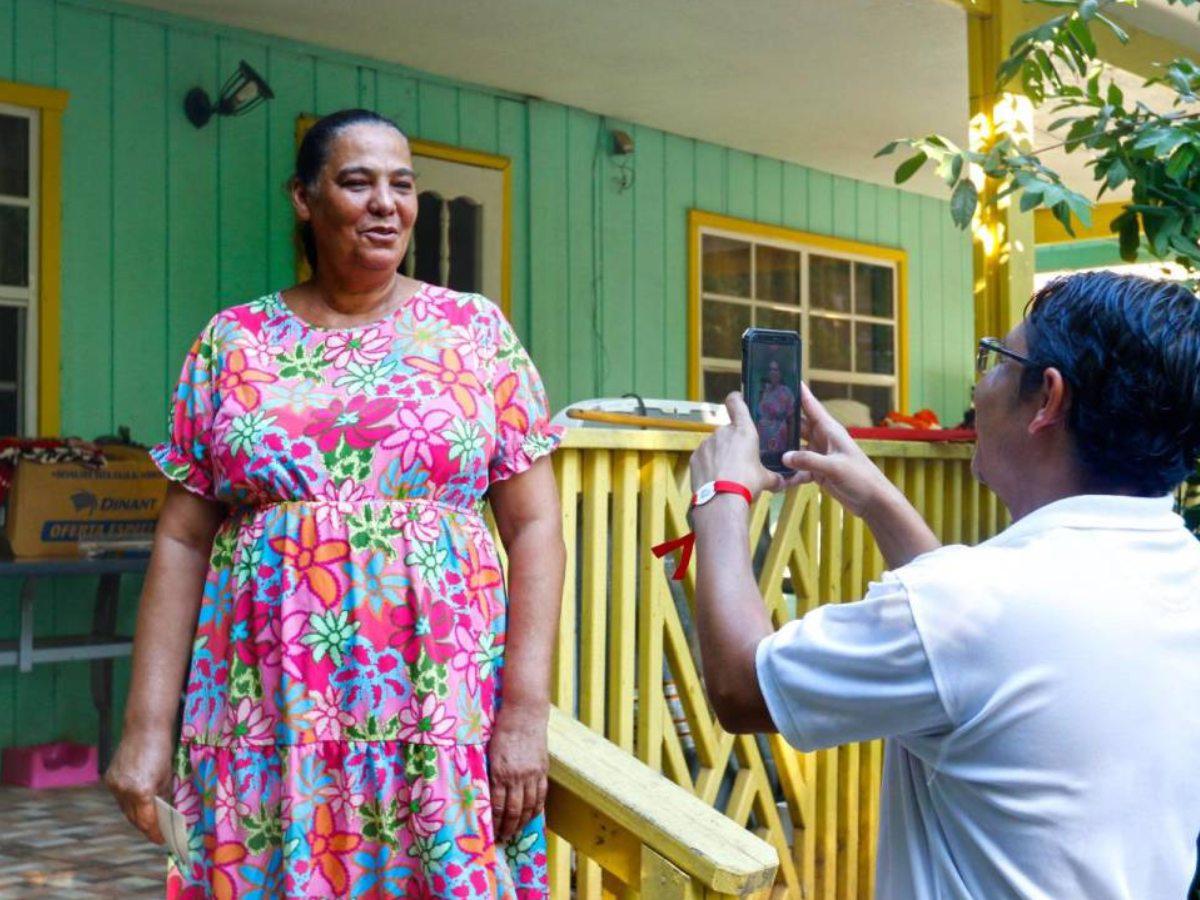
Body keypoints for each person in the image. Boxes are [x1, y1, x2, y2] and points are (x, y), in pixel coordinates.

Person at [105, 108, 565, 899]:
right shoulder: (233, 342)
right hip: (265, 709)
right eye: (357, 182)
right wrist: (146, 732)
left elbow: (536, 526)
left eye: (403, 184)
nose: (386, 203)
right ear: (304, 199)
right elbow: (182, 541)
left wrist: (524, 712)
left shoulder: (473, 332)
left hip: (434, 707)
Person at [685, 272, 1200, 898]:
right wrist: (877, 498)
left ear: (1048, 400)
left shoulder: (974, 605)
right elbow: (970, 653)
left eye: (996, 359)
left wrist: (722, 495)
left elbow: (744, 687)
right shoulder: (1179, 572)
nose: (979, 386)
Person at [754, 358, 795, 455]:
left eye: (775, 369)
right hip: (761, 440)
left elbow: (791, 420)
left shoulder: (786, 392)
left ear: (780, 372)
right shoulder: (764, 390)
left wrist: (790, 445)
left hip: (779, 440)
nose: (772, 372)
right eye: (770, 369)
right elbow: (758, 416)